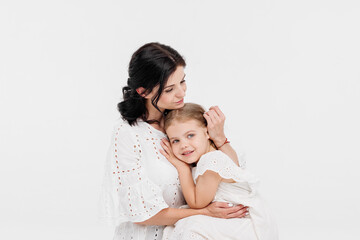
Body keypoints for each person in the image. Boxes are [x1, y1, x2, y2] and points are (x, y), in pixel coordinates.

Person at [99, 42, 249, 240]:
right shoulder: (128, 134)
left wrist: (220, 139)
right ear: (143, 92)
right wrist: (205, 212)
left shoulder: (181, 119)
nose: (181, 93)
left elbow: (231, 173)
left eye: (182, 81)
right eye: (169, 89)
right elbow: (140, 214)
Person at [160, 103, 278, 240]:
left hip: (245, 225)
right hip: (238, 220)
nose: (184, 145)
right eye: (175, 141)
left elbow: (197, 203)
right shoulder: (211, 156)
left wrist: (182, 168)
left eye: (190, 135)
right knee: (186, 224)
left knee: (192, 225)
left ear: (207, 133)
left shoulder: (211, 161)